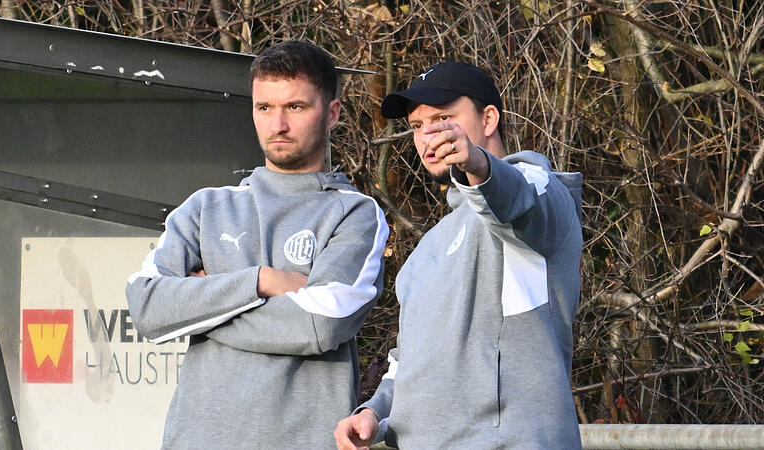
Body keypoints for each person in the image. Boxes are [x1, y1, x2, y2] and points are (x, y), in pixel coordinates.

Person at [126, 40, 388, 449]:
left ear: (332, 113)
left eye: (295, 107)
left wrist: (201, 302)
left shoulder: (355, 214)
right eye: (264, 107)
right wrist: (260, 282)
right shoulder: (205, 207)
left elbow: (318, 325)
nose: (277, 124)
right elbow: (147, 308)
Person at [334, 61, 583, 449]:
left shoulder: (539, 188)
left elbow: (517, 200)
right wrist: (373, 412)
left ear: (488, 119)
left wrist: (478, 165)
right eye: (417, 126)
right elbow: (408, 359)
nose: (428, 134)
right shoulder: (429, 247)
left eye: (444, 118)